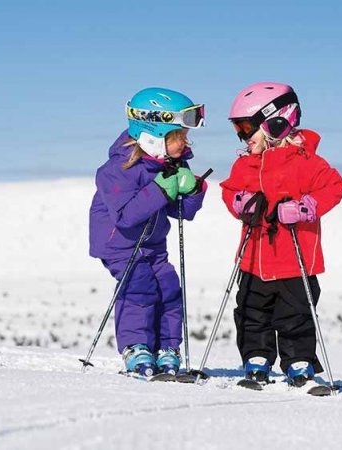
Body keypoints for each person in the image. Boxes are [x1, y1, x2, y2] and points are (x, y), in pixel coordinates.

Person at [220, 82, 342, 387]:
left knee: (296, 313)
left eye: (247, 127)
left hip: (295, 261)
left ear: (276, 122)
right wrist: (239, 203)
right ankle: (256, 357)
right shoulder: (245, 164)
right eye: (239, 128)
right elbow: (230, 190)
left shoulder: (307, 163)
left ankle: (298, 361)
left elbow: (334, 187)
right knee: (250, 310)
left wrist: (306, 207)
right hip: (253, 259)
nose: (242, 136)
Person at [89, 87, 207, 377]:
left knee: (168, 287)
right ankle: (136, 347)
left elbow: (184, 213)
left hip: (153, 244)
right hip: (120, 245)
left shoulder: (170, 163)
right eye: (178, 136)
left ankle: (167, 349)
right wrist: (160, 189)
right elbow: (126, 216)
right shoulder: (116, 170)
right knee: (139, 285)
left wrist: (193, 188)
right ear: (153, 135)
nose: (185, 142)